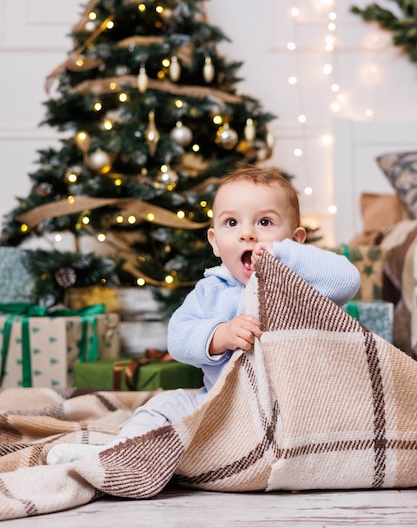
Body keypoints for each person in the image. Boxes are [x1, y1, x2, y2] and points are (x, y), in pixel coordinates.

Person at [47, 165, 360, 464]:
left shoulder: (301, 283)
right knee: (162, 405)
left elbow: (347, 280)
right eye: (232, 223)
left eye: (265, 223)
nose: (248, 234)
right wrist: (218, 335)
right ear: (215, 242)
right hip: (218, 410)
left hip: (293, 412)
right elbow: (178, 337)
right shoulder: (212, 291)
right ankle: (121, 452)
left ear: (296, 240)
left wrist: (287, 255)